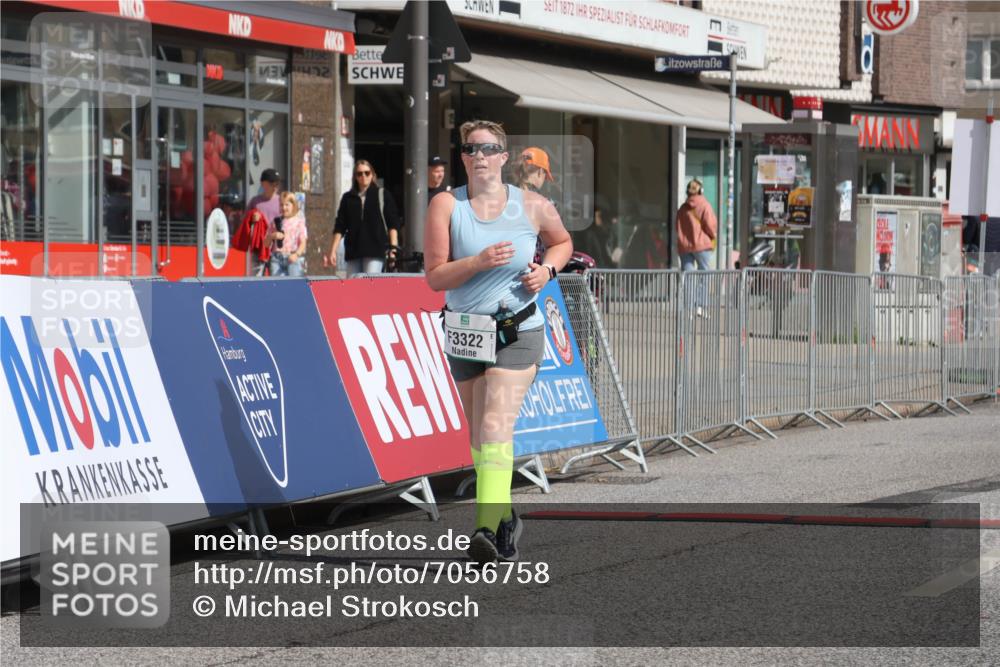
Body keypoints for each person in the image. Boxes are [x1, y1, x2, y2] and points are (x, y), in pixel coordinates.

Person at [424, 120, 572, 564]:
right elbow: (434, 277)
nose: (480, 156)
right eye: (471, 149)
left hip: (518, 329)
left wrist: (547, 271)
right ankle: (505, 514)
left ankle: (485, 529)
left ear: (504, 157)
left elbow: (562, 243)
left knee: (494, 425)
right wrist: (476, 261)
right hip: (466, 332)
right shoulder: (446, 204)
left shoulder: (532, 205)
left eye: (489, 149)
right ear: (463, 157)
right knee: (477, 434)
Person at [329, 160, 402, 276]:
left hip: (375, 250)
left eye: (367, 173)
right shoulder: (348, 198)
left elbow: (393, 223)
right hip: (353, 251)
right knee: (352, 289)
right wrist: (333, 250)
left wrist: (393, 249)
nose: (363, 176)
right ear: (355, 177)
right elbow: (340, 226)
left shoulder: (382, 194)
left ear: (372, 174)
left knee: (369, 287)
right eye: (359, 173)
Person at [245, 168, 282, 275]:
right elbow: (245, 222)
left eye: (277, 184)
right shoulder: (255, 202)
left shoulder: (282, 201)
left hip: (276, 249)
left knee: (276, 281)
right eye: (272, 183)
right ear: (263, 184)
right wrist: (252, 218)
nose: (275, 187)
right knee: (255, 281)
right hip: (258, 247)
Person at [676, 178, 717, 271]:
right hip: (702, 245)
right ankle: (701, 287)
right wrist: (713, 235)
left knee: (687, 277)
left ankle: (688, 287)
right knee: (704, 275)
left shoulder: (682, 208)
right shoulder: (705, 205)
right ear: (701, 191)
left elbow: (677, 226)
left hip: (685, 246)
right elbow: (711, 225)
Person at [266, 192, 307, 277]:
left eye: (287, 205)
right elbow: (266, 244)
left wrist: (296, 254)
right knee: (277, 286)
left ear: (293, 205)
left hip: (292, 257)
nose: (284, 208)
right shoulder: (276, 221)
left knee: (294, 286)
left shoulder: (299, 222)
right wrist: (272, 236)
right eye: (281, 205)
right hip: (277, 259)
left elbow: (303, 242)